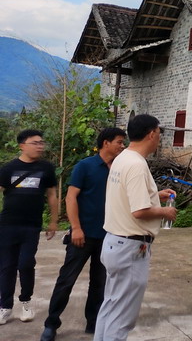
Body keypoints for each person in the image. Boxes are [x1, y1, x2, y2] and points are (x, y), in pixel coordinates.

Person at [92, 115, 176, 341]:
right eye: (159, 134)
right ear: (151, 134)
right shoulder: (137, 164)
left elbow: (127, 196)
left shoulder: (122, 158)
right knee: (122, 317)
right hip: (130, 248)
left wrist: (154, 195)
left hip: (115, 243)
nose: (159, 139)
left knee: (111, 305)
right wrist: (165, 211)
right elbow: (139, 211)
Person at [39, 127, 127, 341]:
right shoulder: (85, 166)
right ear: (106, 143)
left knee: (99, 282)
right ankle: (51, 324)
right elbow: (70, 198)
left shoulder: (120, 168)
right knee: (66, 280)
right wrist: (76, 228)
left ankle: (93, 321)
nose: (122, 146)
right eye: (119, 142)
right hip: (83, 235)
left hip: (109, 236)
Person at [0, 129, 58, 326]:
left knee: (25, 264)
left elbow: (52, 195)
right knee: (6, 266)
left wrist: (53, 221)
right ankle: (5, 306)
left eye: (42, 142)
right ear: (22, 145)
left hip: (31, 226)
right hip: (7, 225)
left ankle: (25, 302)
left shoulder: (46, 168)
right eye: (35, 143)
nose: (40, 146)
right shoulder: (8, 169)